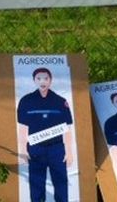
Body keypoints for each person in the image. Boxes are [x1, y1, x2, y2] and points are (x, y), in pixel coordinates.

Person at [17, 67, 74, 202]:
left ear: (50, 81)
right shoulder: (26, 101)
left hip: (56, 148)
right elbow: (23, 127)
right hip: (35, 148)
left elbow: (66, 128)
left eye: (46, 78)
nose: (42, 81)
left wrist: (69, 151)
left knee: (61, 183)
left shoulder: (60, 102)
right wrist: (23, 149)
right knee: (37, 185)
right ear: (34, 80)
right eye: (39, 78)